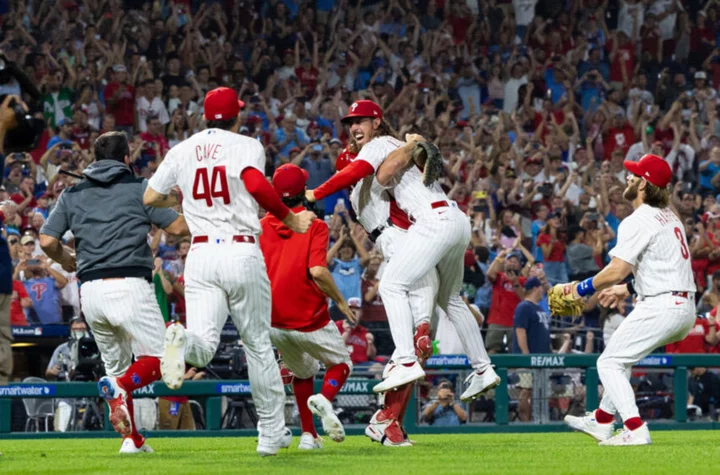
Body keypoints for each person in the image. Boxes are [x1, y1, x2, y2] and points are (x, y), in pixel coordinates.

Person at [143, 87, 315, 457]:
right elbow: (254, 184)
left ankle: (179, 339)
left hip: (201, 252)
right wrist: (288, 217)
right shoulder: (246, 144)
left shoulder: (181, 149)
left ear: (205, 116)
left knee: (202, 347)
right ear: (235, 116)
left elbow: (151, 198)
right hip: (239, 249)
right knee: (256, 344)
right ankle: (270, 433)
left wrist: (184, 197)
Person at [306, 100, 498, 398]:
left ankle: (406, 359)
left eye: (361, 120)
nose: (354, 127)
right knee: (452, 300)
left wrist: (315, 192)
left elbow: (360, 170)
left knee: (392, 285)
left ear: (377, 122)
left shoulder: (378, 144)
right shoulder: (396, 146)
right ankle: (484, 369)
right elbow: (380, 175)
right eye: (350, 123)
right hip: (456, 219)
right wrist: (415, 143)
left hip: (430, 222)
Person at [39, 131, 190, 454]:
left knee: (118, 367)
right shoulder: (139, 188)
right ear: (126, 159)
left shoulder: (73, 192)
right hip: (130, 284)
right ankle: (120, 389)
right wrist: (180, 203)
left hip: (90, 292)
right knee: (166, 361)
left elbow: (47, 242)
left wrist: (68, 259)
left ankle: (131, 440)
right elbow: (177, 229)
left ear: (95, 159)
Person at [563, 154, 696, 446]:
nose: (628, 177)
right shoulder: (670, 216)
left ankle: (635, 428)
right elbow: (663, 265)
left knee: (608, 362)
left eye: (634, 174)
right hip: (678, 304)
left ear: (644, 184)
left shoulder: (639, 219)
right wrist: (630, 289)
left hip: (662, 305)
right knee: (620, 358)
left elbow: (617, 270)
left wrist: (580, 289)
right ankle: (602, 421)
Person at [259, 163, 353, 450]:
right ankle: (325, 399)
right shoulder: (315, 223)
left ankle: (309, 436)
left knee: (302, 372)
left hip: (274, 321)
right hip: (308, 317)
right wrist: (339, 301)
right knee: (341, 364)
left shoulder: (261, 225)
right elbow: (318, 271)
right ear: (304, 191)